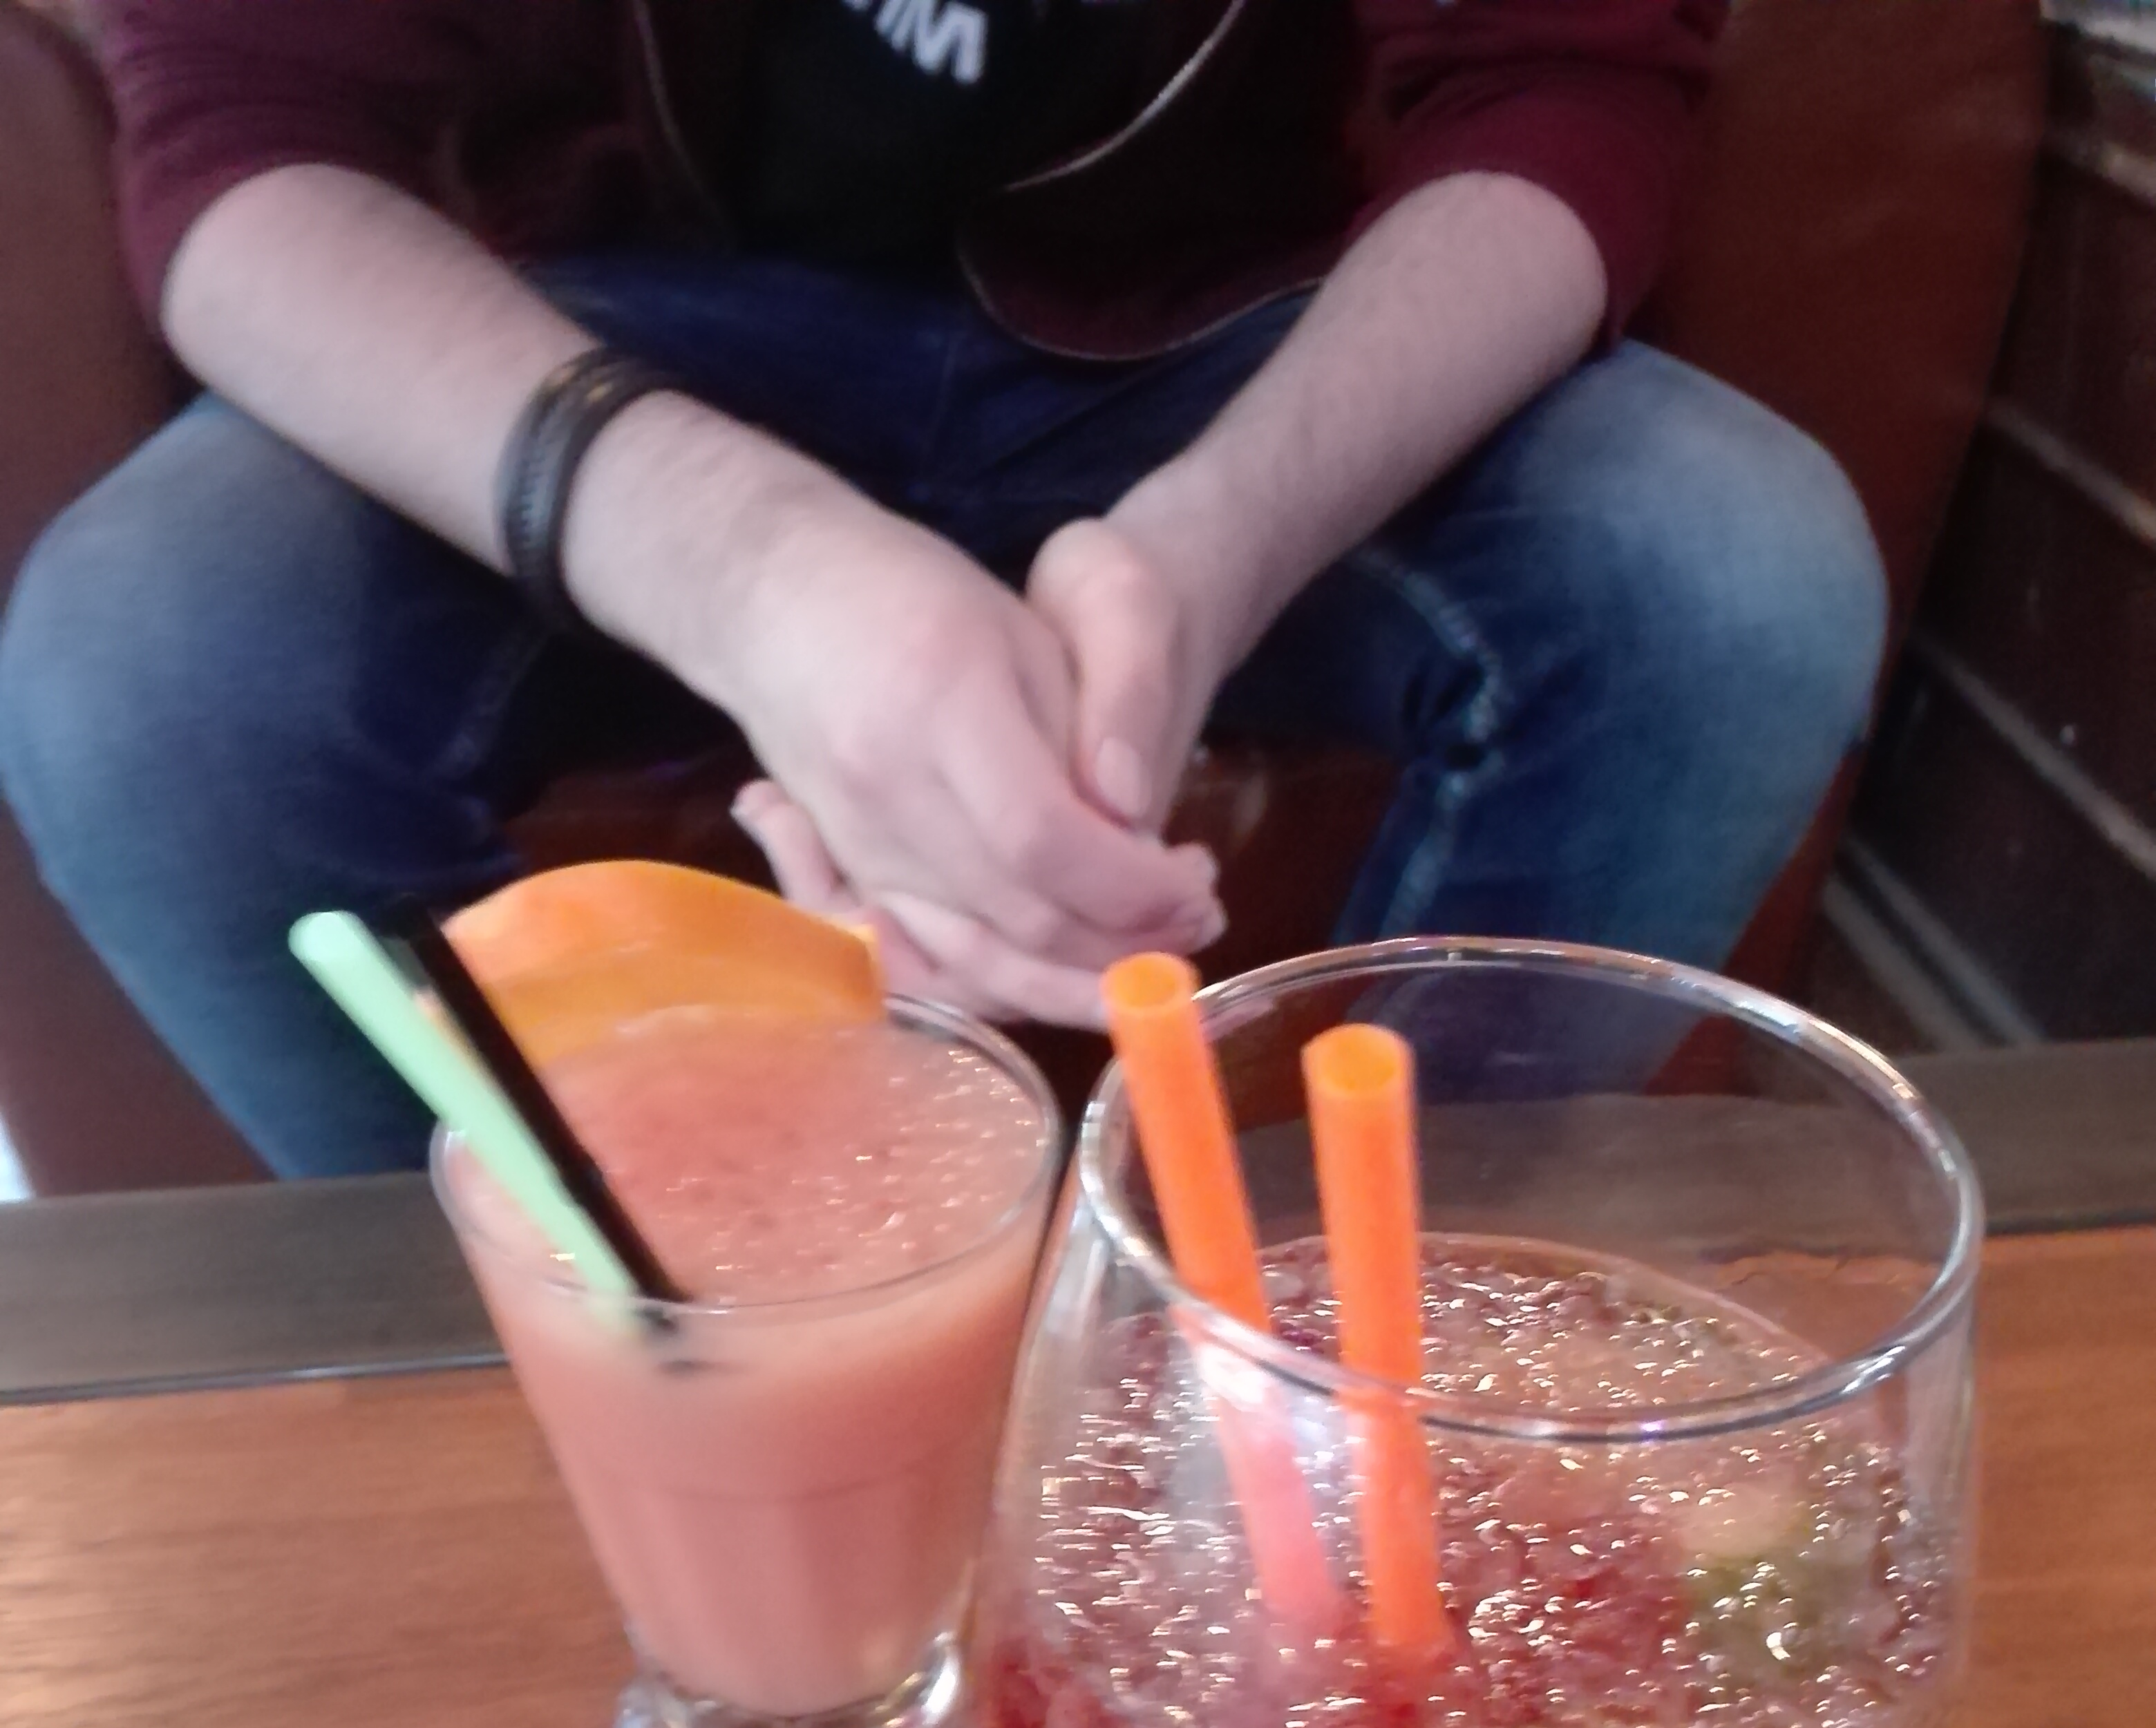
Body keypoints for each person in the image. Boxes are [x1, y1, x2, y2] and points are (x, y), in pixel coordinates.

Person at [0, 0, 1886, 1177]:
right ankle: (569, 1370)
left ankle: (1338, 1353)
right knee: (139, 663)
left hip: (1229, 324)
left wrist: (1215, 544)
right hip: (601, 331)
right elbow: (245, 146)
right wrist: (738, 558)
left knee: (1731, 574)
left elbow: (1564, 84)